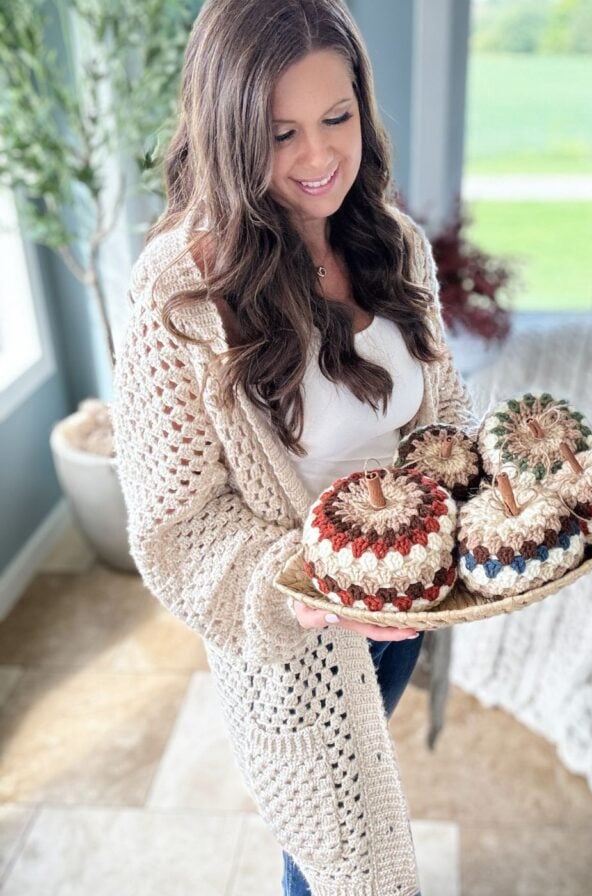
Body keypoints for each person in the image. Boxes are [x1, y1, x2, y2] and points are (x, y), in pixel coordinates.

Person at [112, 0, 476, 893]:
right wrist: (317, 591)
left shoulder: (392, 243)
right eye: (281, 134)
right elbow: (176, 529)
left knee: (343, 816)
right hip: (297, 644)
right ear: (230, 132)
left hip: (405, 616)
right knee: (330, 860)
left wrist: (477, 502)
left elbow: (441, 415)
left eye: (337, 118)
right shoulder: (179, 295)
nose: (319, 159)